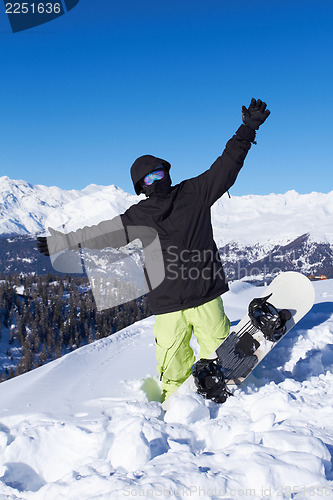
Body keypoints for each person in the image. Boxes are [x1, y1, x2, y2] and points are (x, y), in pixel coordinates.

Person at [37, 98, 270, 402]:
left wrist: (247, 129)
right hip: (168, 303)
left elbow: (227, 165)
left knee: (222, 352)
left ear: (167, 173)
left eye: (159, 173)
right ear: (141, 186)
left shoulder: (195, 192)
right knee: (172, 365)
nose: (156, 180)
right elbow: (100, 234)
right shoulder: (137, 216)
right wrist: (64, 242)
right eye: (149, 178)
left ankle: (238, 403)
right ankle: (177, 407)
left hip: (205, 295)